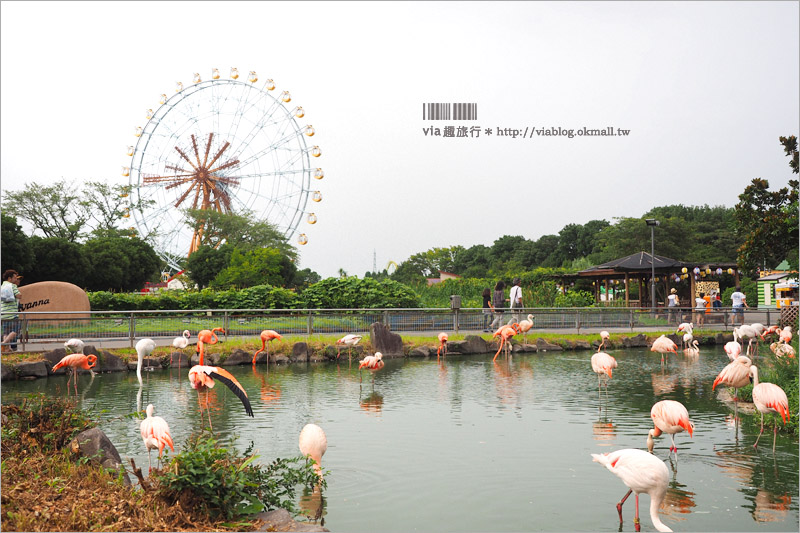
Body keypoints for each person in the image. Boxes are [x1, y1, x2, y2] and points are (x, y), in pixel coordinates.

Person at [1, 270, 22, 352]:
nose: (16, 279)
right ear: (9, 278)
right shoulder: (12, 286)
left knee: (6, 332)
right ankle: (3, 343)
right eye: (14, 277)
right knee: (15, 330)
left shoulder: (2, 286)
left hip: (3, 313)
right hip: (12, 314)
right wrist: (19, 295)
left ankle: (7, 349)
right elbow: (19, 295)